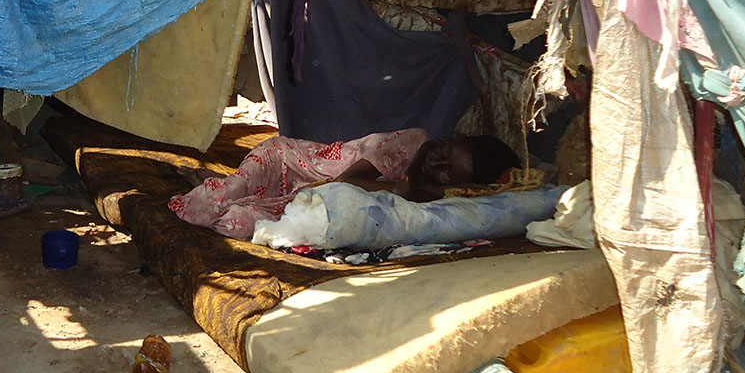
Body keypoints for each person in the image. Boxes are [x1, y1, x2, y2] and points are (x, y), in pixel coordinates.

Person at [169, 129, 520, 240]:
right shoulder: (414, 142)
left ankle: (222, 192)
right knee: (224, 196)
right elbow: (343, 183)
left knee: (236, 224)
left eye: (449, 172)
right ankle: (221, 189)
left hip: (305, 201)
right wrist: (401, 189)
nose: (437, 163)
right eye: (445, 152)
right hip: (286, 164)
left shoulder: (437, 199)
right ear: (446, 140)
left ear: (459, 185)